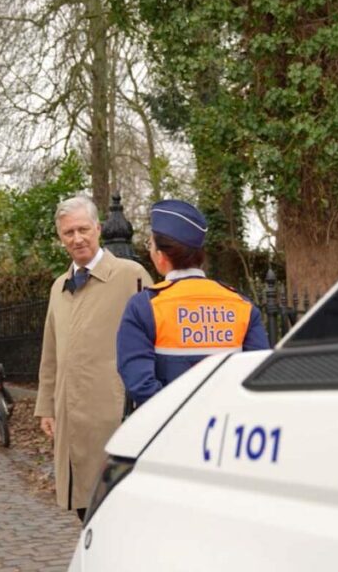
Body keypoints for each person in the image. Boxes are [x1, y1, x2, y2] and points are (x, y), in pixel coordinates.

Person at [34, 195, 152, 521]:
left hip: (115, 414)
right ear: (60, 237)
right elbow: (50, 352)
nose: (77, 238)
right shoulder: (59, 287)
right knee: (84, 508)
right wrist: (46, 406)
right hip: (70, 417)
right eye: (68, 232)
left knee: (118, 509)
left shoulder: (131, 275)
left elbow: (155, 338)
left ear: (98, 228)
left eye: (83, 229)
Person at [117, 200, 270, 407]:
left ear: (161, 256)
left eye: (150, 245)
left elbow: (140, 384)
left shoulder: (144, 307)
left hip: (169, 423)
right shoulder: (241, 305)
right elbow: (259, 376)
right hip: (228, 420)